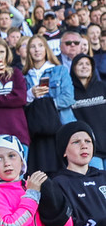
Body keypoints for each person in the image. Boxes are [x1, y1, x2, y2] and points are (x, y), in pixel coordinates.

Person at [23, 34, 75, 173]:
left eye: (40, 45)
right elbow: (22, 103)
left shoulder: (60, 70)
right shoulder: (24, 76)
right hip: (36, 132)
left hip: (60, 126)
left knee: (64, 171)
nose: (37, 49)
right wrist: (30, 95)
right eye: (32, 46)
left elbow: (68, 98)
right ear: (28, 51)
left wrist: (45, 107)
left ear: (46, 49)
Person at [70, 55, 106, 161]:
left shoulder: (103, 87)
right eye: (80, 64)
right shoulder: (69, 92)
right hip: (88, 150)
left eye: (87, 64)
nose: (84, 67)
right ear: (73, 68)